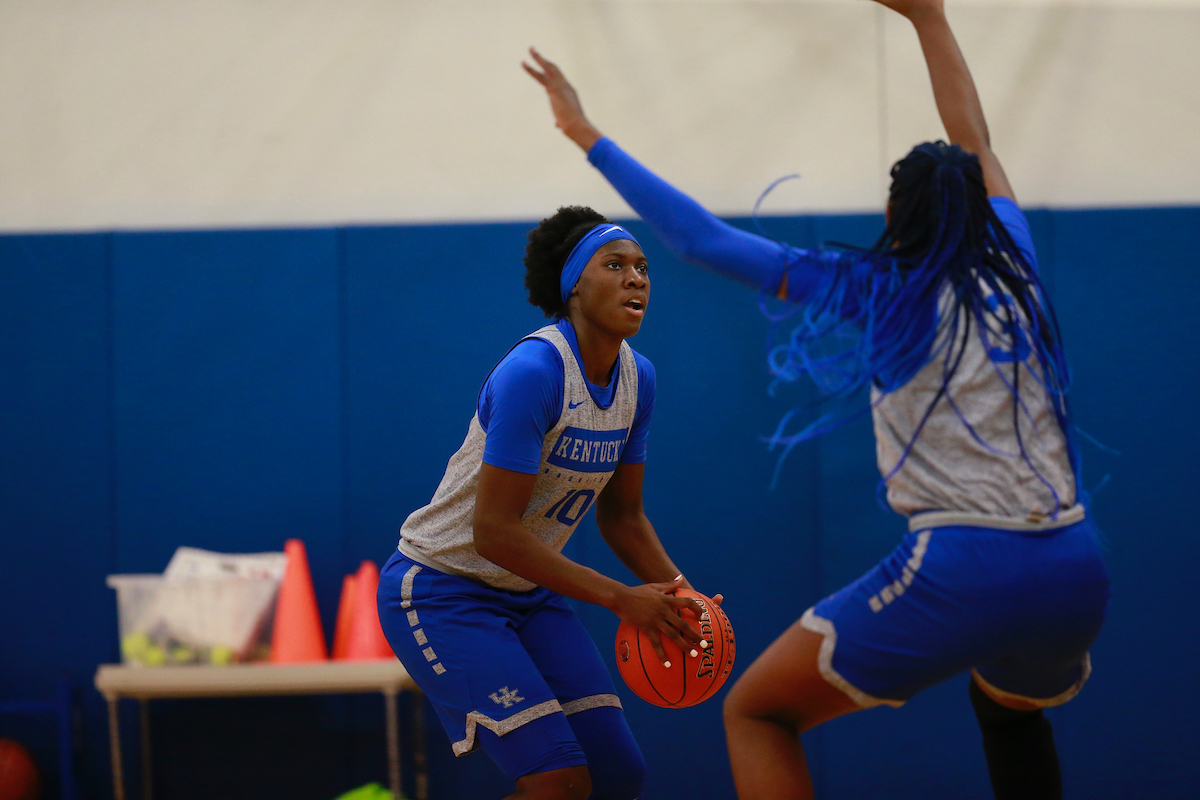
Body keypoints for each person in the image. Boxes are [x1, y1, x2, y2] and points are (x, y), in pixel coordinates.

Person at [524, 0, 1109, 798]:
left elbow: (701, 240)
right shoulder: (1018, 259)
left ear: (896, 220)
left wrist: (587, 136)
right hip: (1076, 564)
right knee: (1008, 710)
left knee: (759, 713)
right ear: (981, 209)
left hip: (972, 559)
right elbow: (978, 137)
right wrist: (930, 19)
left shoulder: (880, 288)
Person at [377, 206, 715, 800]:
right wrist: (620, 599)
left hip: (527, 596)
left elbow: (623, 516)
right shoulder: (535, 371)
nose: (637, 278)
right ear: (574, 285)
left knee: (617, 775)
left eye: (642, 266)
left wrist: (680, 592)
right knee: (556, 778)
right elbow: (495, 535)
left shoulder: (639, 380)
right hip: (441, 591)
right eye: (616, 265)